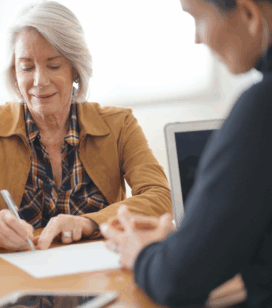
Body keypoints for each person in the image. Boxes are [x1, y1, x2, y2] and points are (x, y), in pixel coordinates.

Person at [0, 1, 172, 251]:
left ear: (75, 69)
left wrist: (89, 222)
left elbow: (159, 196)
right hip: (17, 270)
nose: (39, 81)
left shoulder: (119, 124)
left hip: (99, 269)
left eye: (54, 65)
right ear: (14, 72)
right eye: (26, 67)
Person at [101, 0, 272, 306]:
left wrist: (141, 254)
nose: (197, 37)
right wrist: (190, 238)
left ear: (249, 14)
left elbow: (177, 281)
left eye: (198, 18)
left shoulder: (262, 108)